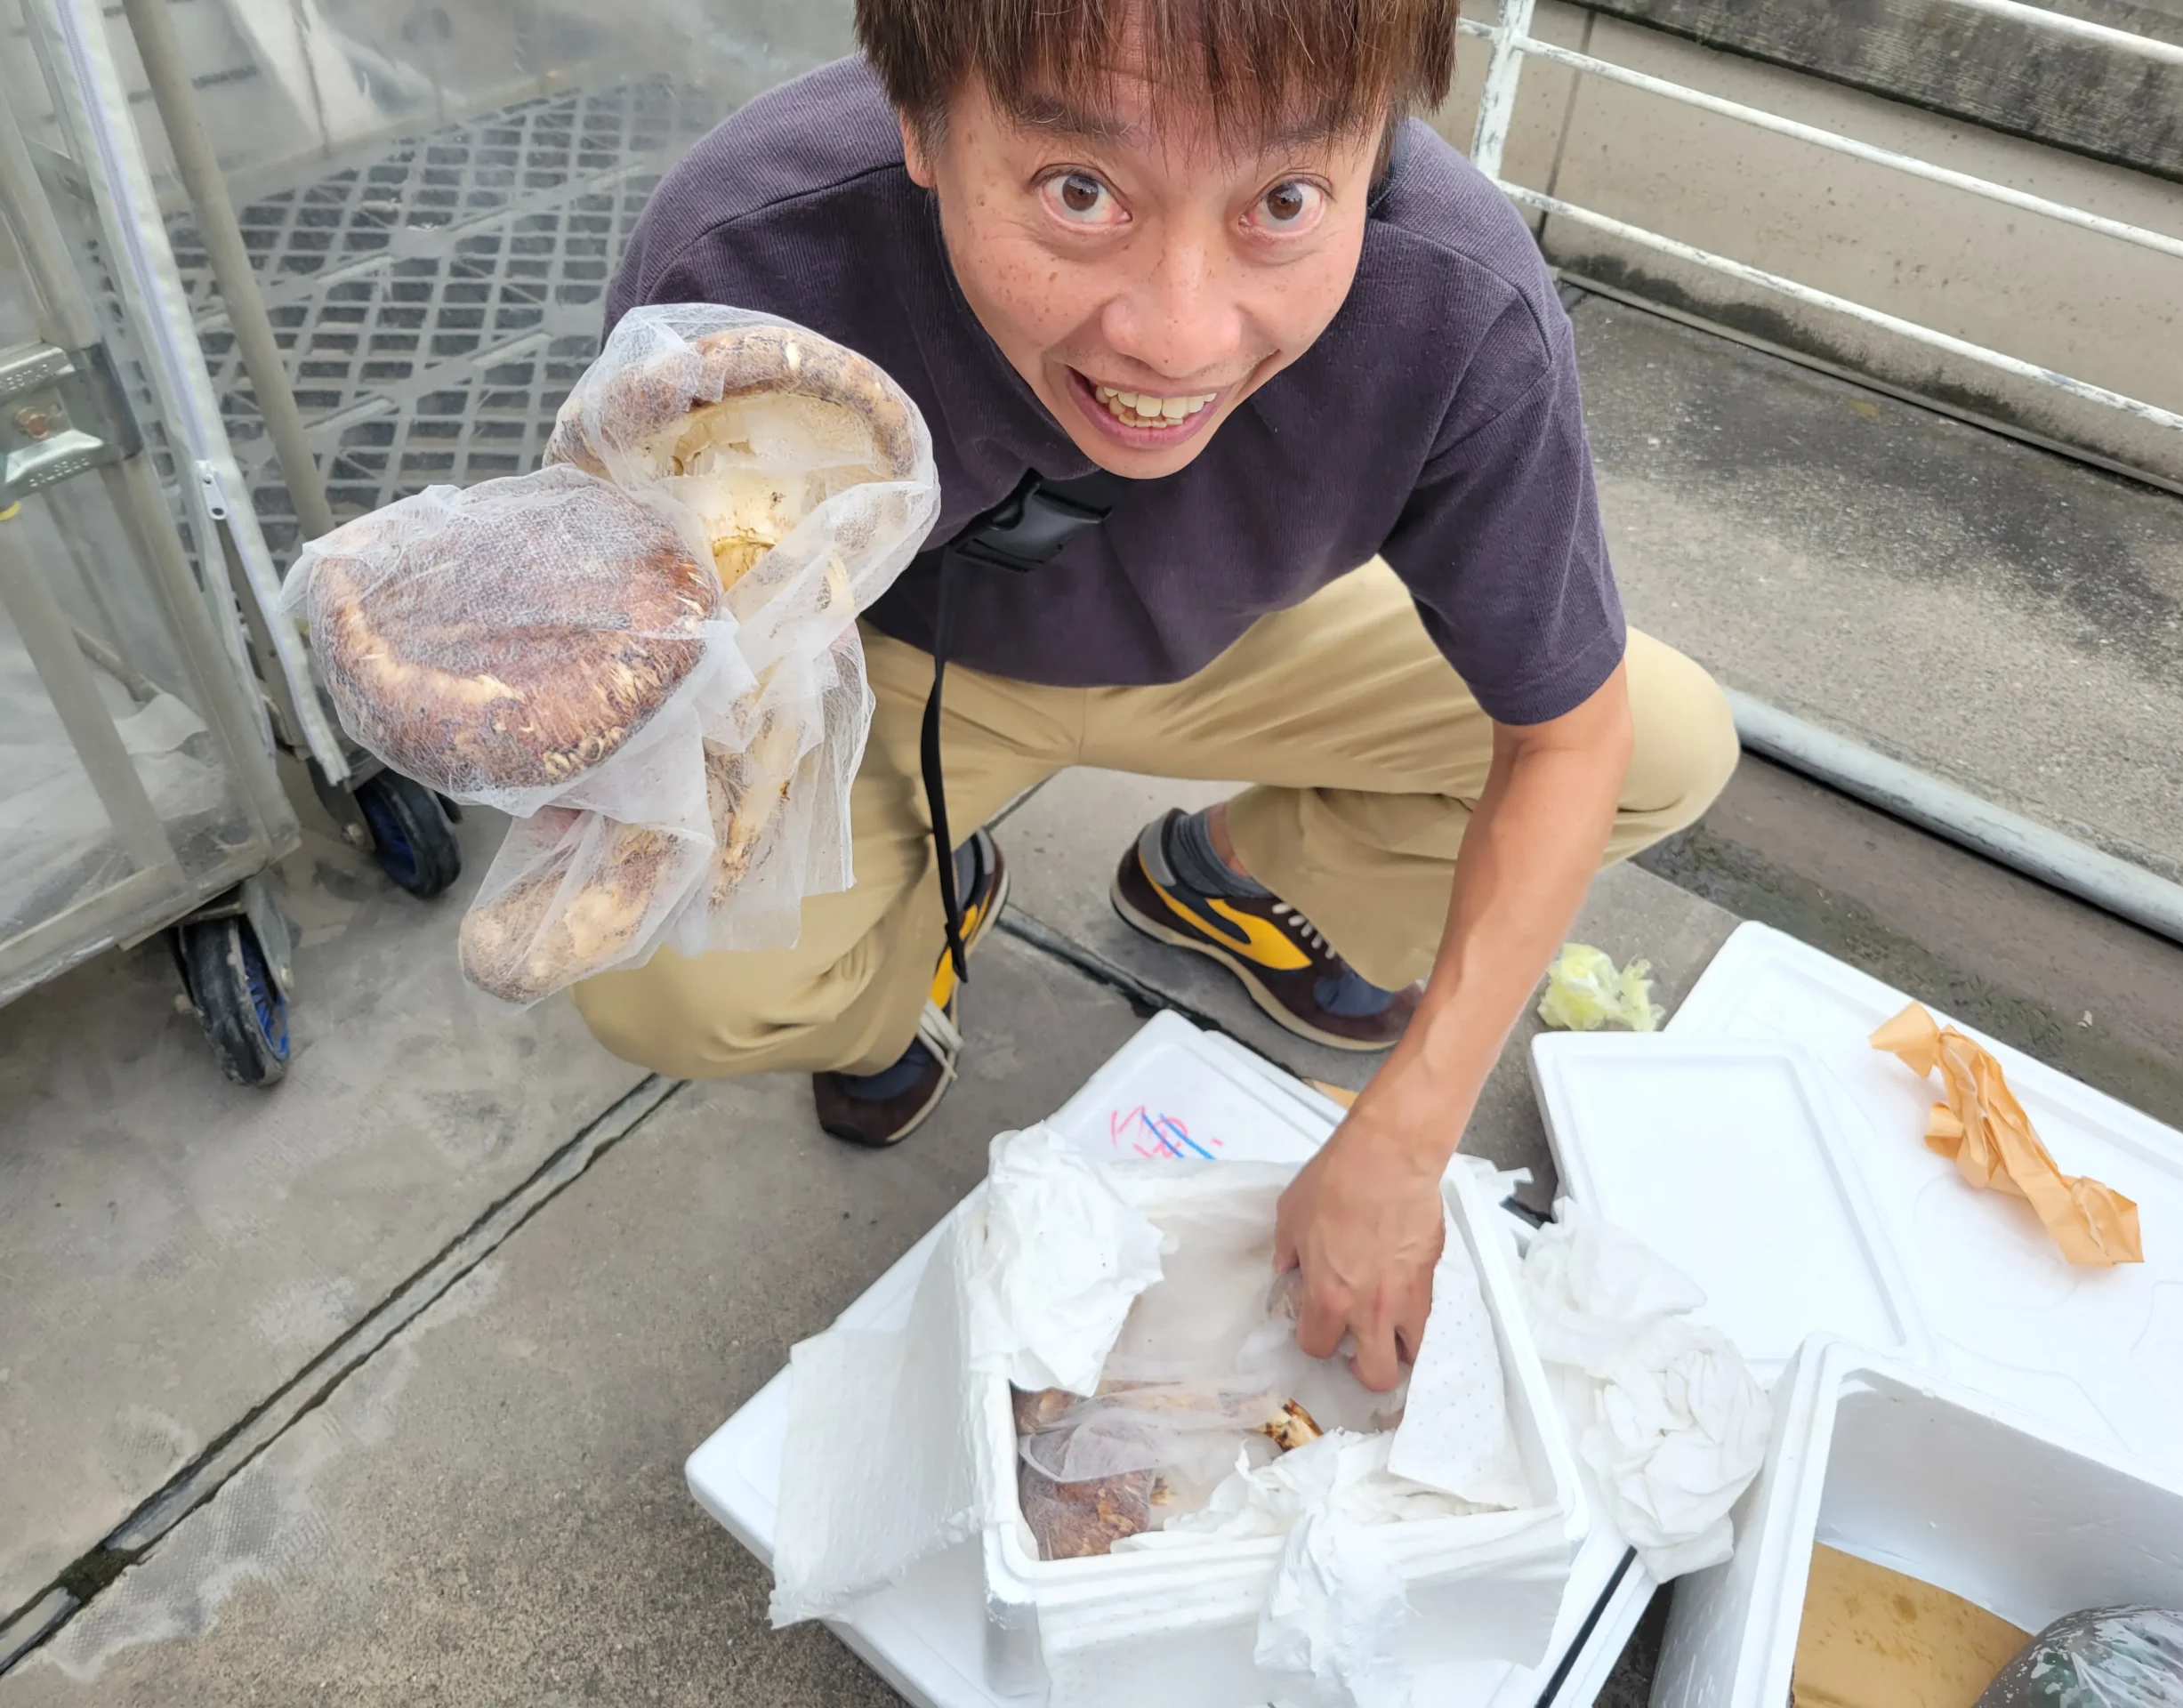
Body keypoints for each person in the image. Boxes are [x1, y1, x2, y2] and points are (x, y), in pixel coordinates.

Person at [573, 0, 1738, 1392]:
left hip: (1249, 634)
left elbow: (1567, 739)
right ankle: (922, 924)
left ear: (1379, 146)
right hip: (893, 662)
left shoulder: (1459, 301)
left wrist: (1410, 1132)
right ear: (920, 123)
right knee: (659, 982)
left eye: (1284, 201)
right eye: (1080, 191)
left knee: (1667, 742)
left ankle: (1232, 874)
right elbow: (658, 620)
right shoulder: (750, 260)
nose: (1177, 340)